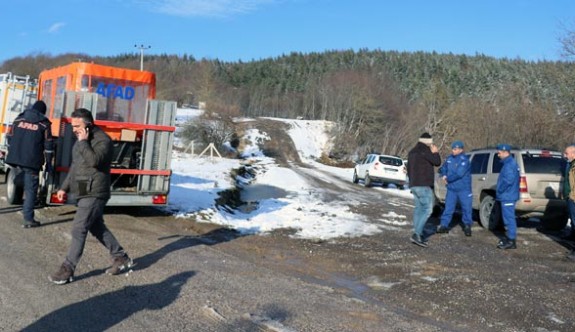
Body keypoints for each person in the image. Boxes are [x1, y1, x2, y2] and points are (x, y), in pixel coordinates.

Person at [49, 108, 132, 285]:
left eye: (77, 126)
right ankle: (121, 257)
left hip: (96, 191)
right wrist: (64, 187)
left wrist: (84, 142)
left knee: (79, 227)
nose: (74, 129)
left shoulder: (104, 141)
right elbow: (76, 165)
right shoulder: (80, 141)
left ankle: (67, 268)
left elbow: (94, 161)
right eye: (73, 126)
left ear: (88, 124)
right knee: (96, 226)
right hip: (82, 189)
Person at [5, 100, 54, 228]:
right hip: (32, 162)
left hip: (16, 159)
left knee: (22, 177)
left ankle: (17, 181)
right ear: (43, 111)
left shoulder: (18, 119)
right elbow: (49, 145)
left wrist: (14, 150)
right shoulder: (44, 124)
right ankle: (28, 219)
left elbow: (9, 136)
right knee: (31, 190)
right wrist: (49, 162)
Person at [407, 132, 441, 247]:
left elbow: (409, 169)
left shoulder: (412, 152)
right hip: (424, 185)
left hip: (414, 184)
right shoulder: (426, 151)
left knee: (418, 209)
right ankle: (417, 234)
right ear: (428, 142)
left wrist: (411, 183)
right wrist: (435, 152)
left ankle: (418, 234)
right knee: (427, 210)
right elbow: (437, 162)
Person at [436, 140, 473, 236]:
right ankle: (444, 225)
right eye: (452, 148)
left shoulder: (464, 160)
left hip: (463, 188)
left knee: (466, 208)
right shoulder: (449, 159)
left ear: (461, 150)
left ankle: (467, 226)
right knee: (448, 207)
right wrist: (444, 174)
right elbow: (444, 168)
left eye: (455, 149)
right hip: (452, 189)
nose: (453, 150)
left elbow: (459, 174)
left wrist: (448, 179)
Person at [494, 144, 520, 249]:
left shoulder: (509, 164)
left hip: (508, 195)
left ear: (505, 152)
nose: (498, 154)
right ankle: (510, 238)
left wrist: (499, 189)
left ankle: (511, 240)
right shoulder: (509, 163)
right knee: (508, 218)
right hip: (508, 194)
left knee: (508, 218)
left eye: (499, 152)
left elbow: (508, 180)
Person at [562, 145, 575, 260]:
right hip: (570, 197)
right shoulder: (570, 164)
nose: (564, 155)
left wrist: (572, 196)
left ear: (573, 153)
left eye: (566, 153)